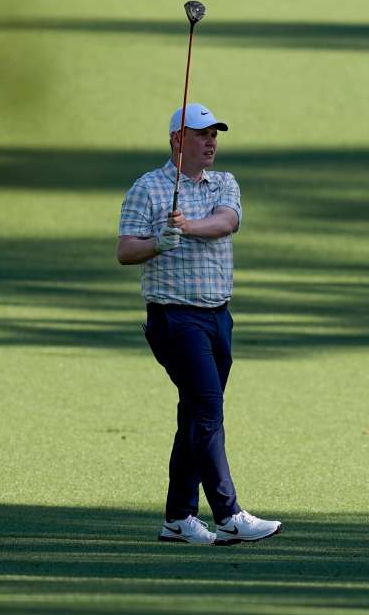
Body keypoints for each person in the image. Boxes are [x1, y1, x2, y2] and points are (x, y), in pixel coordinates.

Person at [116, 102, 281, 546]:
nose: (210, 142)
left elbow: (227, 223)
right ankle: (228, 515)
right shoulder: (148, 189)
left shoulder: (224, 183)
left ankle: (178, 518)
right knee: (208, 411)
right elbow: (126, 250)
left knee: (193, 415)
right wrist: (157, 242)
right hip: (174, 318)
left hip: (218, 317)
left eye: (214, 135)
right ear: (177, 140)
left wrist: (185, 229)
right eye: (201, 134)